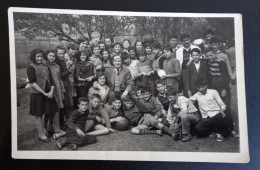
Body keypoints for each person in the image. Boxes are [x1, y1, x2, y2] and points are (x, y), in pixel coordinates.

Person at [27, 48, 55, 142]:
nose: (40, 58)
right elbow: (32, 82)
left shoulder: (46, 66)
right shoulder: (31, 67)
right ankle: (41, 134)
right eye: (37, 56)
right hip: (37, 94)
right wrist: (43, 93)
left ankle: (47, 129)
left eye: (41, 56)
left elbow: (51, 80)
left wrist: (51, 91)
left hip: (48, 93)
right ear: (34, 57)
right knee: (39, 114)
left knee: (48, 112)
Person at [44, 50, 66, 139]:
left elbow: (60, 79)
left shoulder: (57, 66)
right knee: (48, 110)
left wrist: (62, 91)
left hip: (57, 90)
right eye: (50, 56)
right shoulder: (45, 66)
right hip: (48, 90)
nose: (52, 58)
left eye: (53, 56)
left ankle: (56, 129)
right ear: (47, 56)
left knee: (57, 110)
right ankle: (46, 128)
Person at [55, 46, 74, 129]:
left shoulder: (62, 61)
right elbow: (60, 75)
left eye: (63, 53)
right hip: (61, 86)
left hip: (66, 85)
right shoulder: (56, 62)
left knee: (67, 104)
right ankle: (61, 124)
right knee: (62, 105)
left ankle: (65, 122)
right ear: (56, 53)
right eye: (59, 53)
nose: (61, 55)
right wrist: (69, 71)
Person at [176, 33, 200, 97]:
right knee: (186, 88)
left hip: (194, 70)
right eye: (183, 40)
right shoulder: (179, 50)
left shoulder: (196, 48)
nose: (186, 42)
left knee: (195, 87)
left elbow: (199, 59)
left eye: (187, 40)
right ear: (181, 41)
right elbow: (178, 62)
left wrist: (191, 61)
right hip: (184, 71)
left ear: (190, 39)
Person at [64, 43, 78, 108]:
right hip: (66, 78)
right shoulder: (65, 57)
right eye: (72, 49)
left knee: (72, 96)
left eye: (75, 49)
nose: (74, 51)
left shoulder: (74, 58)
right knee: (68, 96)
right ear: (68, 50)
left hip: (72, 77)